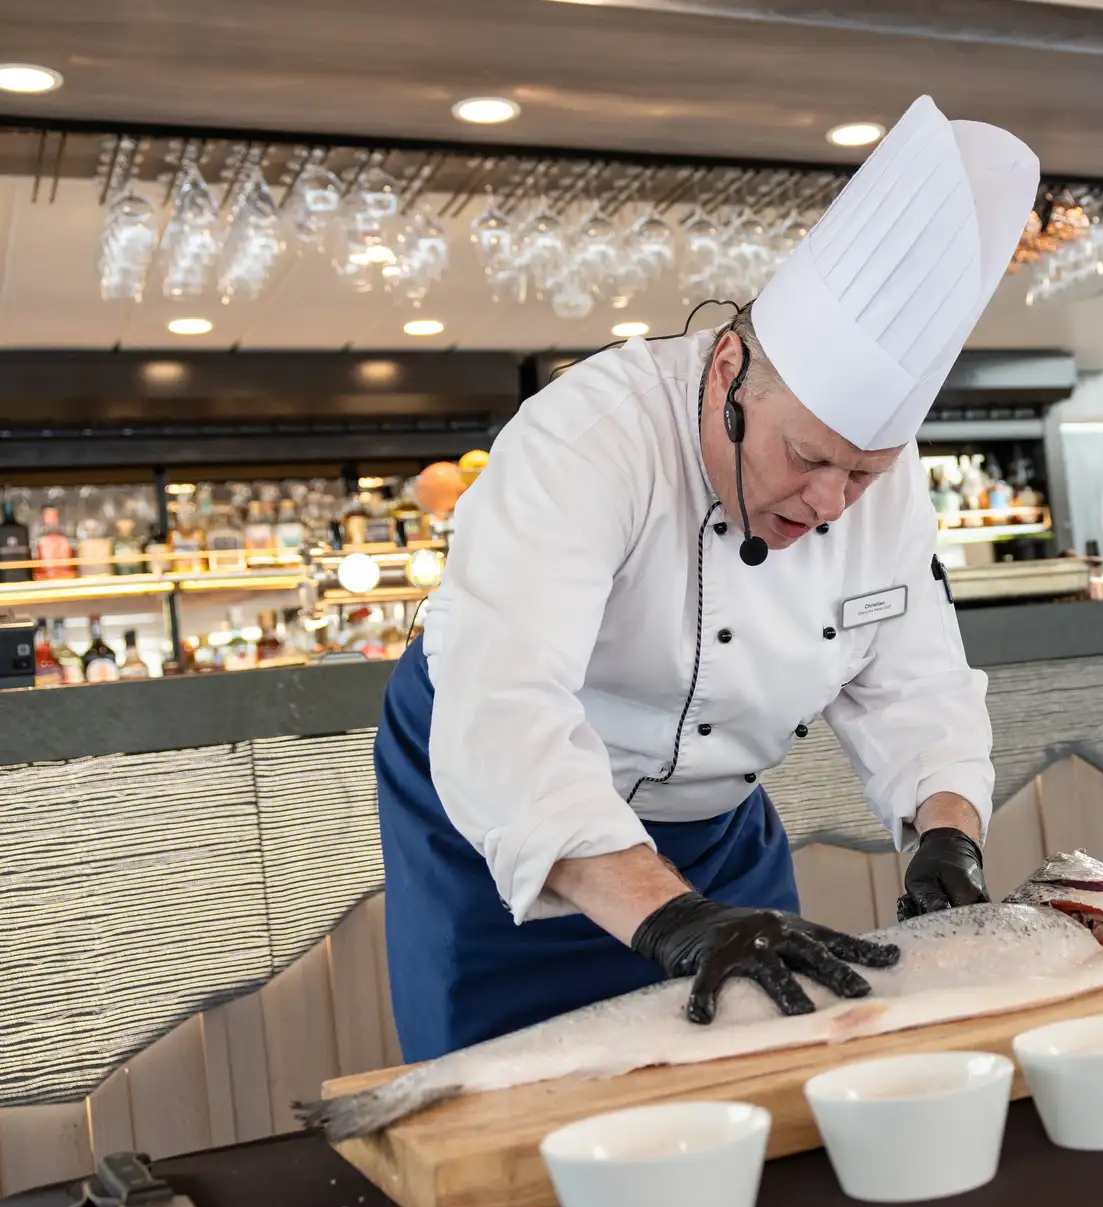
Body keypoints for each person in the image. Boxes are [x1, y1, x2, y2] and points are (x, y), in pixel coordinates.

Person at [375, 96, 1041, 1059]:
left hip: (715, 829)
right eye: (807, 456)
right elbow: (505, 703)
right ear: (729, 366)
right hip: (497, 821)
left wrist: (945, 832)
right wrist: (663, 916)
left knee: (772, 1064)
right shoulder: (591, 437)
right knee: (518, 1087)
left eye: (863, 472)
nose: (828, 502)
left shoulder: (876, 486)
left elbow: (918, 683)